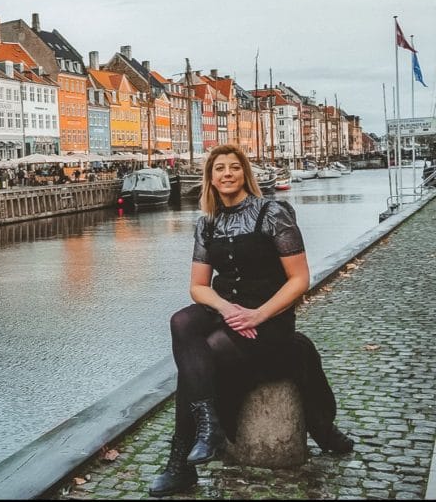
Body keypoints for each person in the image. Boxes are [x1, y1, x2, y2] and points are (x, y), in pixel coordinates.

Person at [149, 144, 353, 497]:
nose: (227, 174)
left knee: (204, 355)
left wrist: (258, 313)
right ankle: (208, 423)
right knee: (181, 322)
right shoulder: (207, 224)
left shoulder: (273, 213)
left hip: (268, 320)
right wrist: (227, 309)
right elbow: (198, 287)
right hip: (230, 312)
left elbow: (299, 279)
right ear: (210, 178)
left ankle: (180, 463)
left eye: (234, 168)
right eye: (219, 169)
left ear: (245, 173)